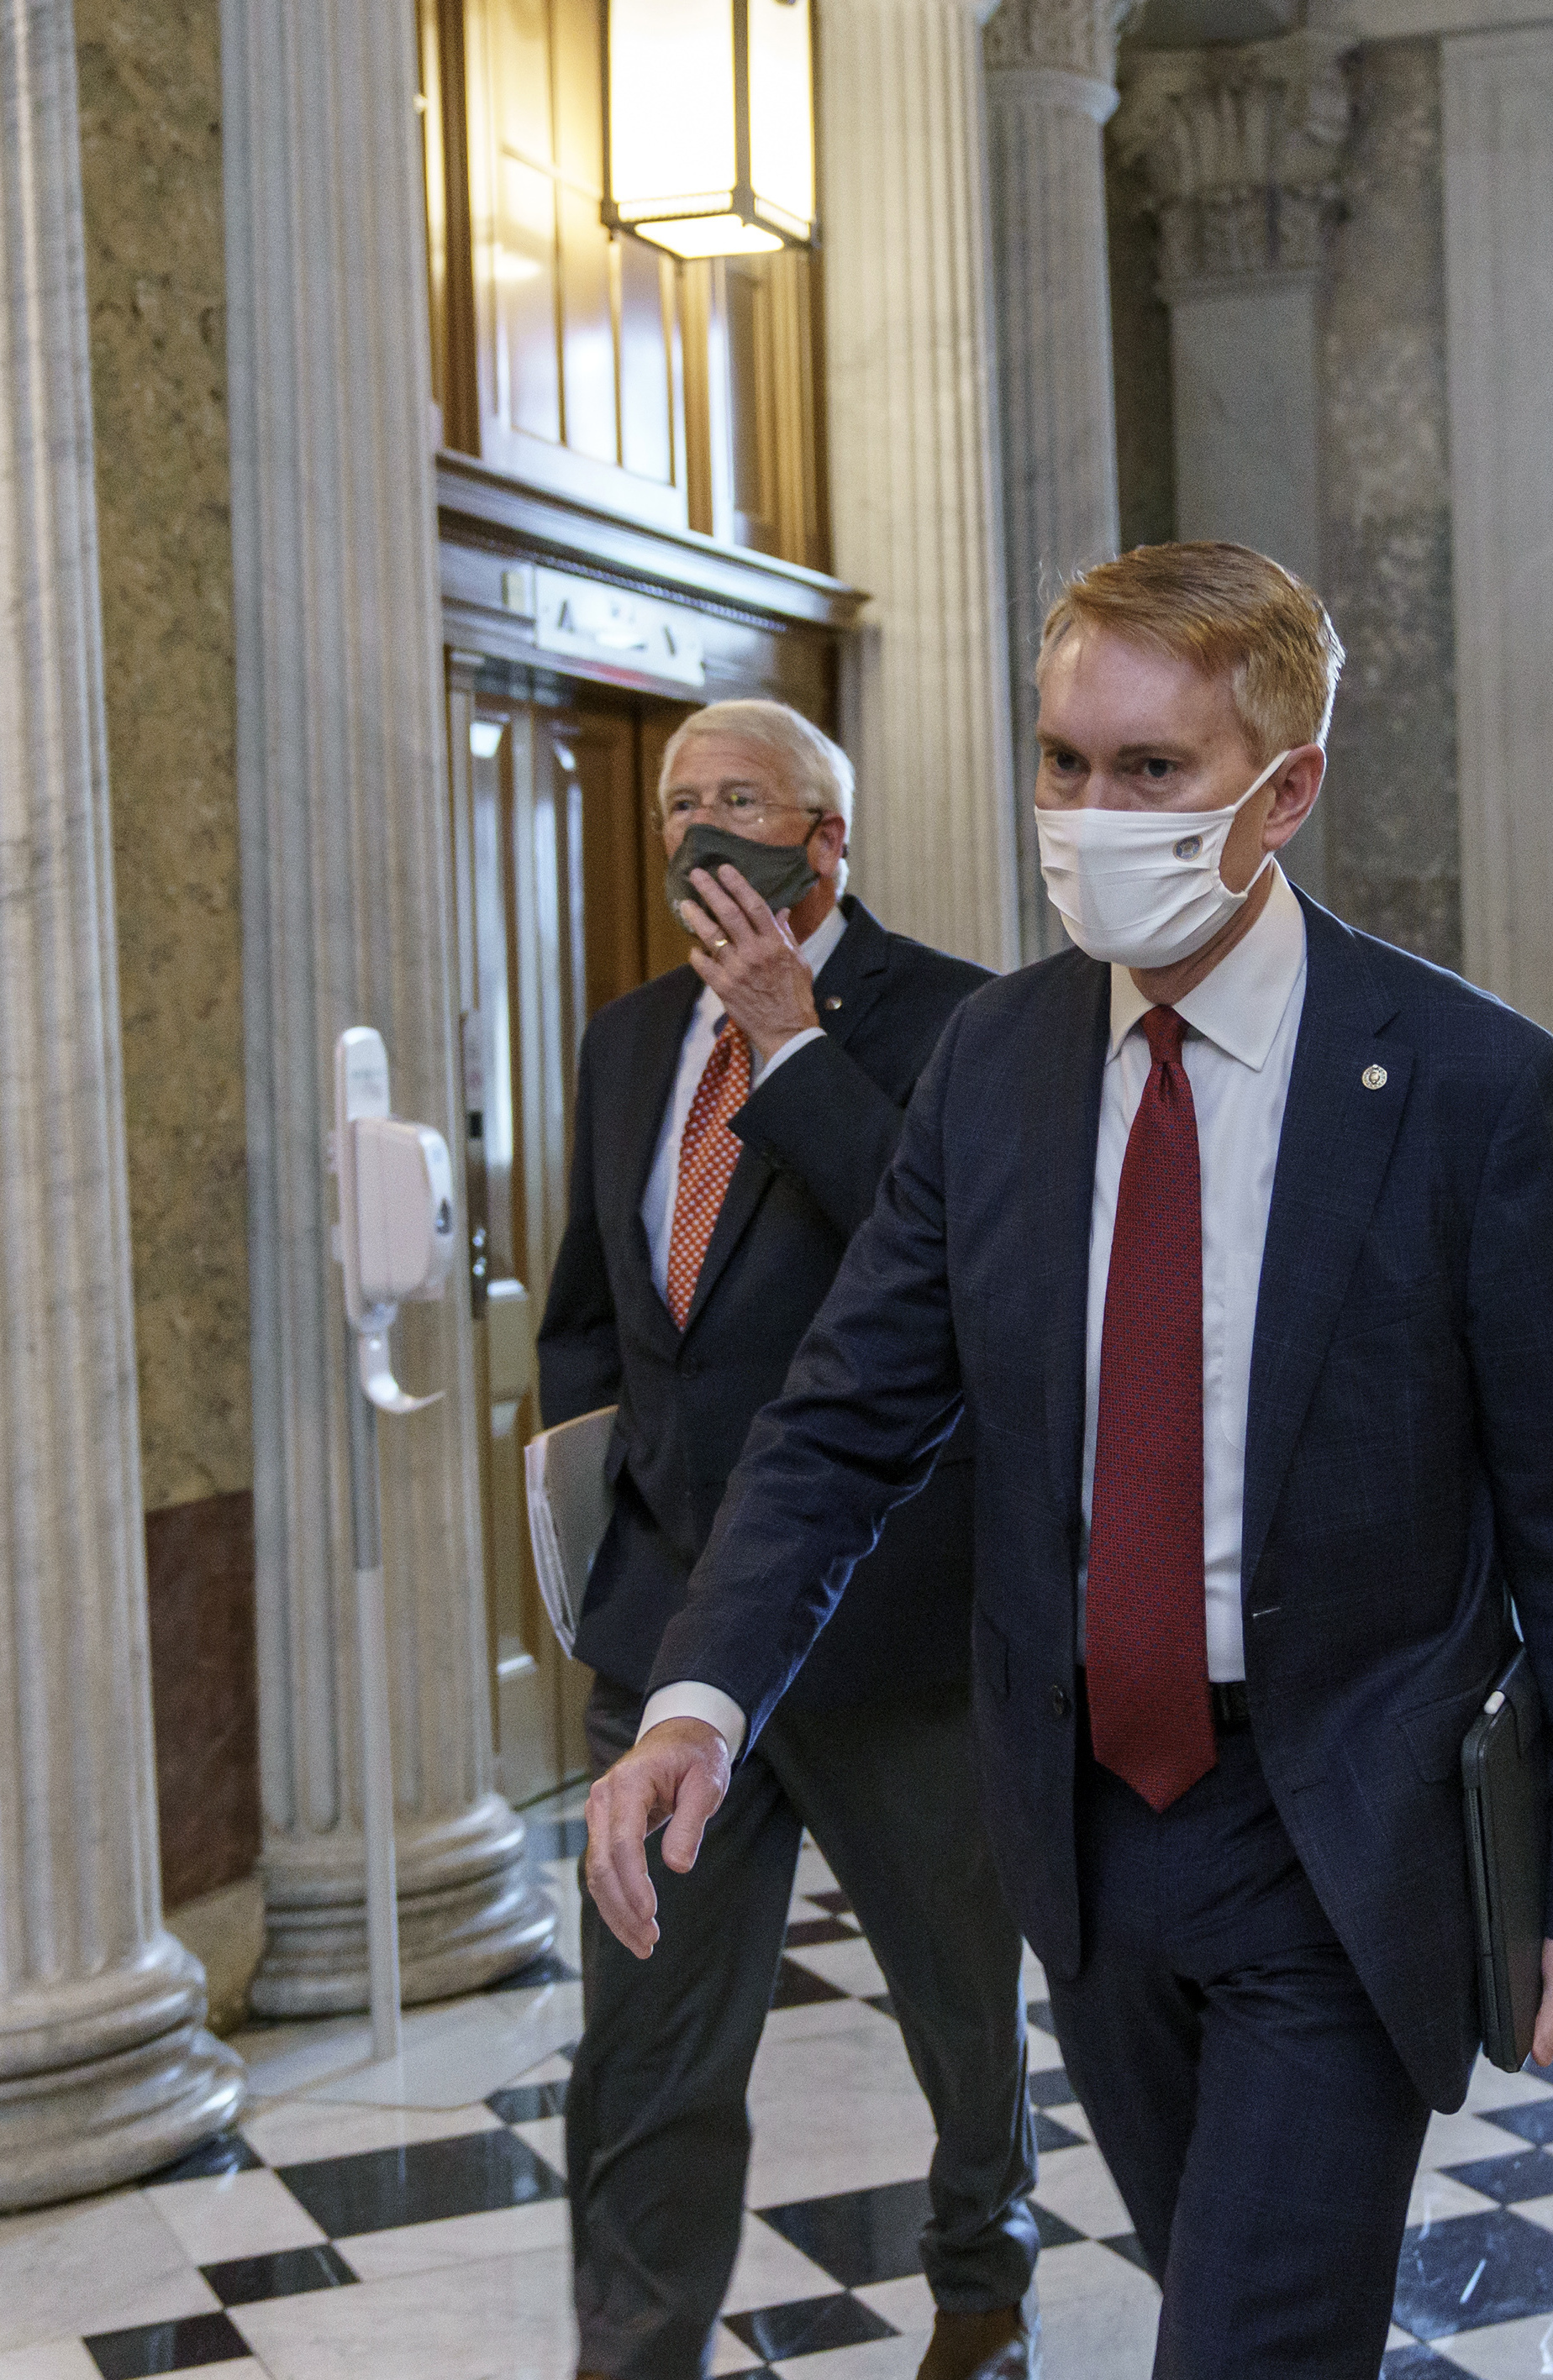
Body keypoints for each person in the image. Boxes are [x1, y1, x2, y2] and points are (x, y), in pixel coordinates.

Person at [582, 543, 1553, 2380]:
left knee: (1240, 2348)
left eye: (1151, 772)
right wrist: (700, 1694)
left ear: (1283, 790)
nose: (1089, 813)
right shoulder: (991, 1066)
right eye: (1063, 761)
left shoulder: (1467, 1082)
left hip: (1336, 1819)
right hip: (1084, 1826)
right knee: (1230, 2295)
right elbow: (850, 1414)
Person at [536, 698, 1037, 2380]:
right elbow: (592, 1315)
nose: (697, 830)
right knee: (649, 2041)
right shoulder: (622, 1043)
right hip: (674, 1634)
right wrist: (612, 1503)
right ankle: (635, 2347)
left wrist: (790, 1037)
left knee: (959, 2005)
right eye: (678, 802)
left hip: (890, 1631)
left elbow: (958, 1264)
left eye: (735, 800)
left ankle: (981, 2271)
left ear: (824, 839)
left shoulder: (964, 1019)